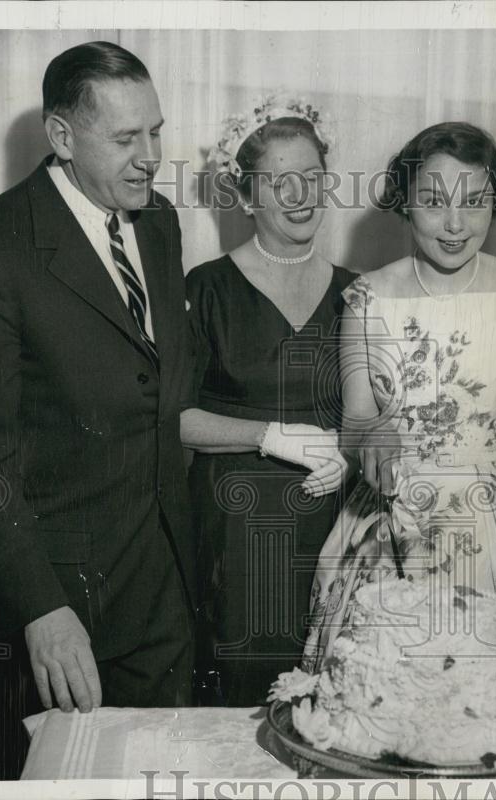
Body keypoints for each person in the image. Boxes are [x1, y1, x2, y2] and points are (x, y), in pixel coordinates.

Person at [0, 42, 196, 778]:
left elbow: (157, 396)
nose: (151, 158)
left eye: (156, 132)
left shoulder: (160, 222)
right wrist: (40, 611)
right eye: (126, 139)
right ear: (61, 136)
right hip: (52, 615)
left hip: (160, 597)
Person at [303, 122, 496, 688]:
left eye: (474, 202)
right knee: (386, 696)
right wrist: (374, 433)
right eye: (433, 201)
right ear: (405, 201)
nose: (455, 224)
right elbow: (355, 420)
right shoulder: (366, 296)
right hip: (395, 517)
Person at [182, 95, 354, 707]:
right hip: (240, 538)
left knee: (335, 706)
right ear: (246, 195)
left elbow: (379, 413)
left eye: (311, 176)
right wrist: (267, 436)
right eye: (280, 182)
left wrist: (352, 451)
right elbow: (172, 419)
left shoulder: (357, 293)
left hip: (336, 532)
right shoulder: (206, 289)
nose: (300, 194)